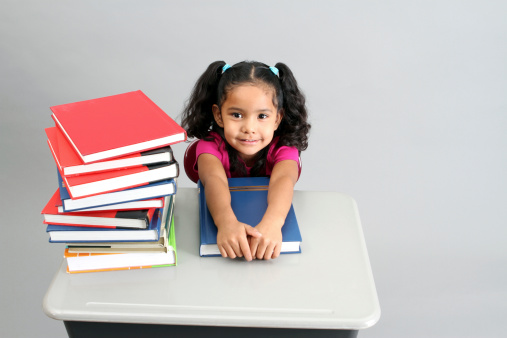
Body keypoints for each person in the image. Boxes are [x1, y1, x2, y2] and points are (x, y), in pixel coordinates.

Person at [181, 60, 310, 261]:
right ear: (219, 115)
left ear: (277, 118)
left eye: (262, 116)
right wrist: (226, 223)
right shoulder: (209, 147)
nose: (249, 128)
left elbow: (283, 179)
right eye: (237, 114)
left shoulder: (284, 149)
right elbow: (214, 179)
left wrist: (273, 223)